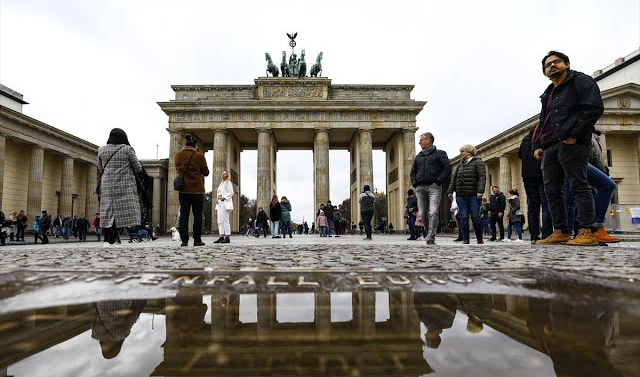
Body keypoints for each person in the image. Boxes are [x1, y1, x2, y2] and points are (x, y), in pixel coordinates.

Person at [533, 51, 603, 246]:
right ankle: (561, 231)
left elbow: (594, 108)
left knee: (579, 185)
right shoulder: (548, 92)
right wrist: (538, 144)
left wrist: (575, 135)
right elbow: (544, 120)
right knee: (551, 190)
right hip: (549, 146)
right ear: (545, 72)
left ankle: (586, 231)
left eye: (556, 62)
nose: (552, 66)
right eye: (548, 65)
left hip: (571, 143)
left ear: (567, 64)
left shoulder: (580, 81)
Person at [564, 132, 620, 243]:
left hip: (572, 158)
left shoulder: (592, 136)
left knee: (572, 200)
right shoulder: (584, 129)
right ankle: (591, 229)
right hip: (574, 157)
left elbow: (595, 154)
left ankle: (572, 233)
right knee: (606, 186)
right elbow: (593, 155)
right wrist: (603, 171)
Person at [98, 128, 144, 246]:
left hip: (107, 185)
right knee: (123, 212)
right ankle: (115, 236)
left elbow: (100, 168)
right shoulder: (127, 149)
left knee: (109, 211)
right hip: (124, 185)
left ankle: (108, 239)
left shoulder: (101, 150)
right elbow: (138, 168)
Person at [410, 132, 452, 245]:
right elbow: (412, 172)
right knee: (423, 213)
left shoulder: (440, 153)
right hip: (420, 188)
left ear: (428, 140)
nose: (419, 142)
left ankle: (431, 236)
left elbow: (447, 168)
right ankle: (429, 232)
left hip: (434, 187)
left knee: (433, 212)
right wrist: (415, 183)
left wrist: (438, 181)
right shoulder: (418, 156)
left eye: (421, 140)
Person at [518, 125, 553, 244]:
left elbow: (519, 155)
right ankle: (546, 234)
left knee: (532, 207)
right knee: (546, 205)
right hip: (542, 175)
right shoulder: (543, 139)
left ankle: (534, 236)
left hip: (528, 176)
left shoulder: (525, 140)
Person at [447, 144, 486, 245]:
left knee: (475, 217)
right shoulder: (460, 165)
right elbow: (454, 179)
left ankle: (479, 237)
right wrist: (450, 191)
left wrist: (480, 190)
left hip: (474, 195)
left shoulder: (478, 162)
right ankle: (465, 239)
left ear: (469, 152)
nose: (461, 154)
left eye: (462, 152)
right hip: (461, 195)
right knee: (463, 217)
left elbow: (482, 177)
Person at [175, 134, 209, 246]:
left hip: (183, 190)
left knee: (184, 215)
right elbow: (206, 172)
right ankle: (197, 240)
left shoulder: (178, 155)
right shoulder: (199, 156)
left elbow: (178, 169)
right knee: (198, 215)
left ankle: (184, 240)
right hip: (197, 191)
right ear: (195, 146)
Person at [214, 170, 233, 244]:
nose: (223, 175)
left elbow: (231, 192)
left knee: (225, 220)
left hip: (225, 203)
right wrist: (217, 199)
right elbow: (219, 192)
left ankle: (227, 236)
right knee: (219, 220)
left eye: (225, 174)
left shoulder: (228, 183)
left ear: (227, 175)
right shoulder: (221, 183)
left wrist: (224, 197)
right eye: (223, 173)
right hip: (219, 203)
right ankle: (221, 235)